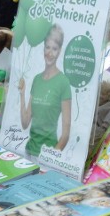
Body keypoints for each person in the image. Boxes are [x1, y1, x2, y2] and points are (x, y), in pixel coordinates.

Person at [18, 24, 72, 159]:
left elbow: (65, 134)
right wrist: (22, 94)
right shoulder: (36, 80)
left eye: (54, 49)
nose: (49, 52)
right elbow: (25, 124)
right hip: (28, 153)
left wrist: (51, 157)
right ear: (43, 48)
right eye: (47, 47)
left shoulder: (63, 82)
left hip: (47, 156)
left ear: (59, 51)